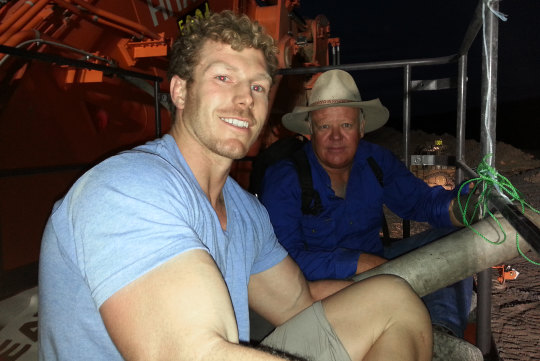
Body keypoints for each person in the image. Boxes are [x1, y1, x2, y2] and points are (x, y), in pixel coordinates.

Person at [38, 11, 433, 361]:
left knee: (394, 301)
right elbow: (197, 353)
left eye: (258, 86)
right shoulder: (125, 189)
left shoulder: (245, 211)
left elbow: (301, 302)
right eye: (223, 77)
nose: (244, 98)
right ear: (179, 91)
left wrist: (391, 277)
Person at [259, 69, 474, 339]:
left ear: (361, 128)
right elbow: (282, 262)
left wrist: (465, 207)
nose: (336, 137)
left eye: (346, 125)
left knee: (456, 240)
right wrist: (359, 263)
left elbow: (420, 202)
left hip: (378, 264)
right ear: (311, 131)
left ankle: (442, 338)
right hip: (318, 287)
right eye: (325, 126)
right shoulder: (284, 178)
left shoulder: (375, 160)